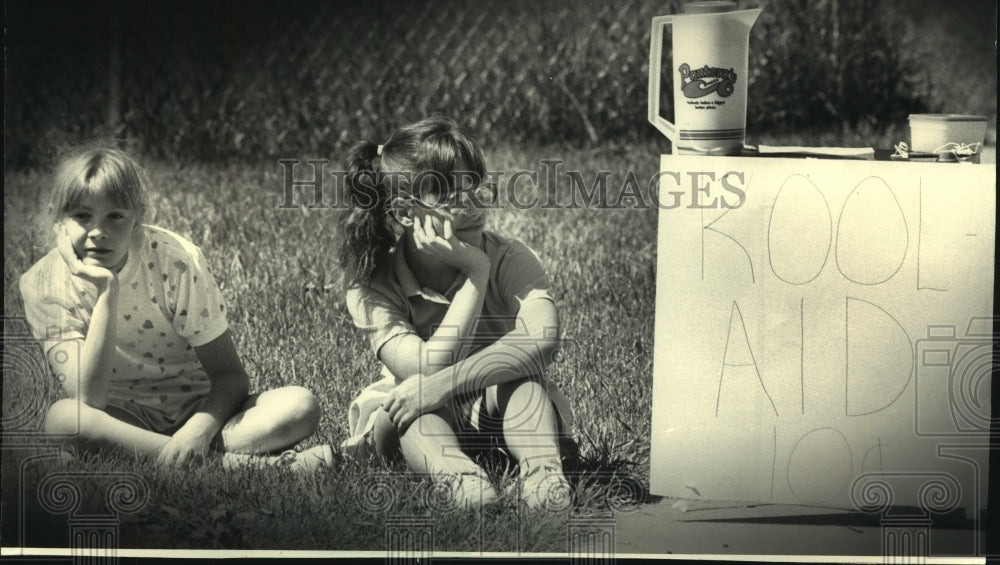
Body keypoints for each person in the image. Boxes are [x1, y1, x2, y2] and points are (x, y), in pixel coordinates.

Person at [20, 145, 333, 471]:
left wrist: (197, 432)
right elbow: (89, 400)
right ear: (60, 221)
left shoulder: (176, 260)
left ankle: (157, 456)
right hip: (119, 418)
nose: (99, 232)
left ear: (137, 217)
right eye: (83, 216)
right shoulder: (43, 283)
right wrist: (106, 293)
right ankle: (248, 466)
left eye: (115, 216)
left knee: (300, 406)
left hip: (198, 409)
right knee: (65, 419)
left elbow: (230, 378)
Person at [338, 116, 574, 509]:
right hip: (417, 420)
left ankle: (543, 475)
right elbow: (424, 371)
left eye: (477, 188)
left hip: (496, 409)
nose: (473, 206)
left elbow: (543, 339)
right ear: (405, 213)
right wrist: (474, 274)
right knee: (411, 406)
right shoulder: (373, 286)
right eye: (450, 195)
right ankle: (461, 479)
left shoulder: (509, 257)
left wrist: (446, 384)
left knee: (523, 382)